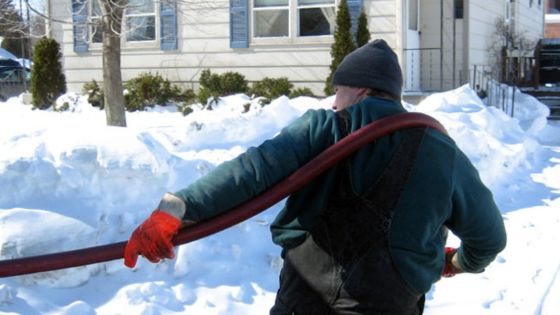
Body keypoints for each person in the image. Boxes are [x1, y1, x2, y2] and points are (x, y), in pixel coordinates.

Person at [123, 39, 507, 314]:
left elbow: (252, 171)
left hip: (303, 298)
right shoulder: (441, 150)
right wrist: (454, 263)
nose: (334, 101)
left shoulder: (323, 128)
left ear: (359, 89)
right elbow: (489, 237)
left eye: (337, 91)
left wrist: (177, 209)